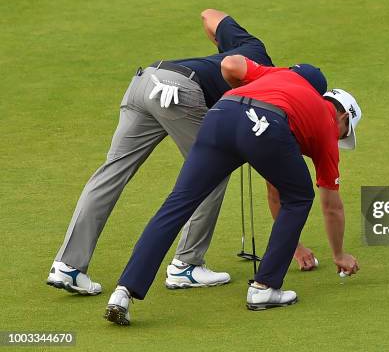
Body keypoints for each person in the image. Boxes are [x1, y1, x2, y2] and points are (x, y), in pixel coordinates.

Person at [47, 9, 321, 296]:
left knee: (111, 172)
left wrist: (220, 49)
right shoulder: (274, 85)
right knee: (212, 172)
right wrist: (294, 245)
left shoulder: (250, 47)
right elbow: (276, 178)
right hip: (181, 92)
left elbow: (210, 16)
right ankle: (186, 265)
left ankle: (68, 266)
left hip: (145, 82)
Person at [104, 53, 362, 325]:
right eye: (345, 133)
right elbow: (331, 206)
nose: (339, 138)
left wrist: (295, 246)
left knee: (178, 202)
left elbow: (232, 64)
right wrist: (339, 254)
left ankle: (123, 291)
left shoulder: (278, 77)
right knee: (301, 197)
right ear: (343, 117)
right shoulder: (325, 123)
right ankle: (264, 288)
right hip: (266, 125)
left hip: (221, 115)